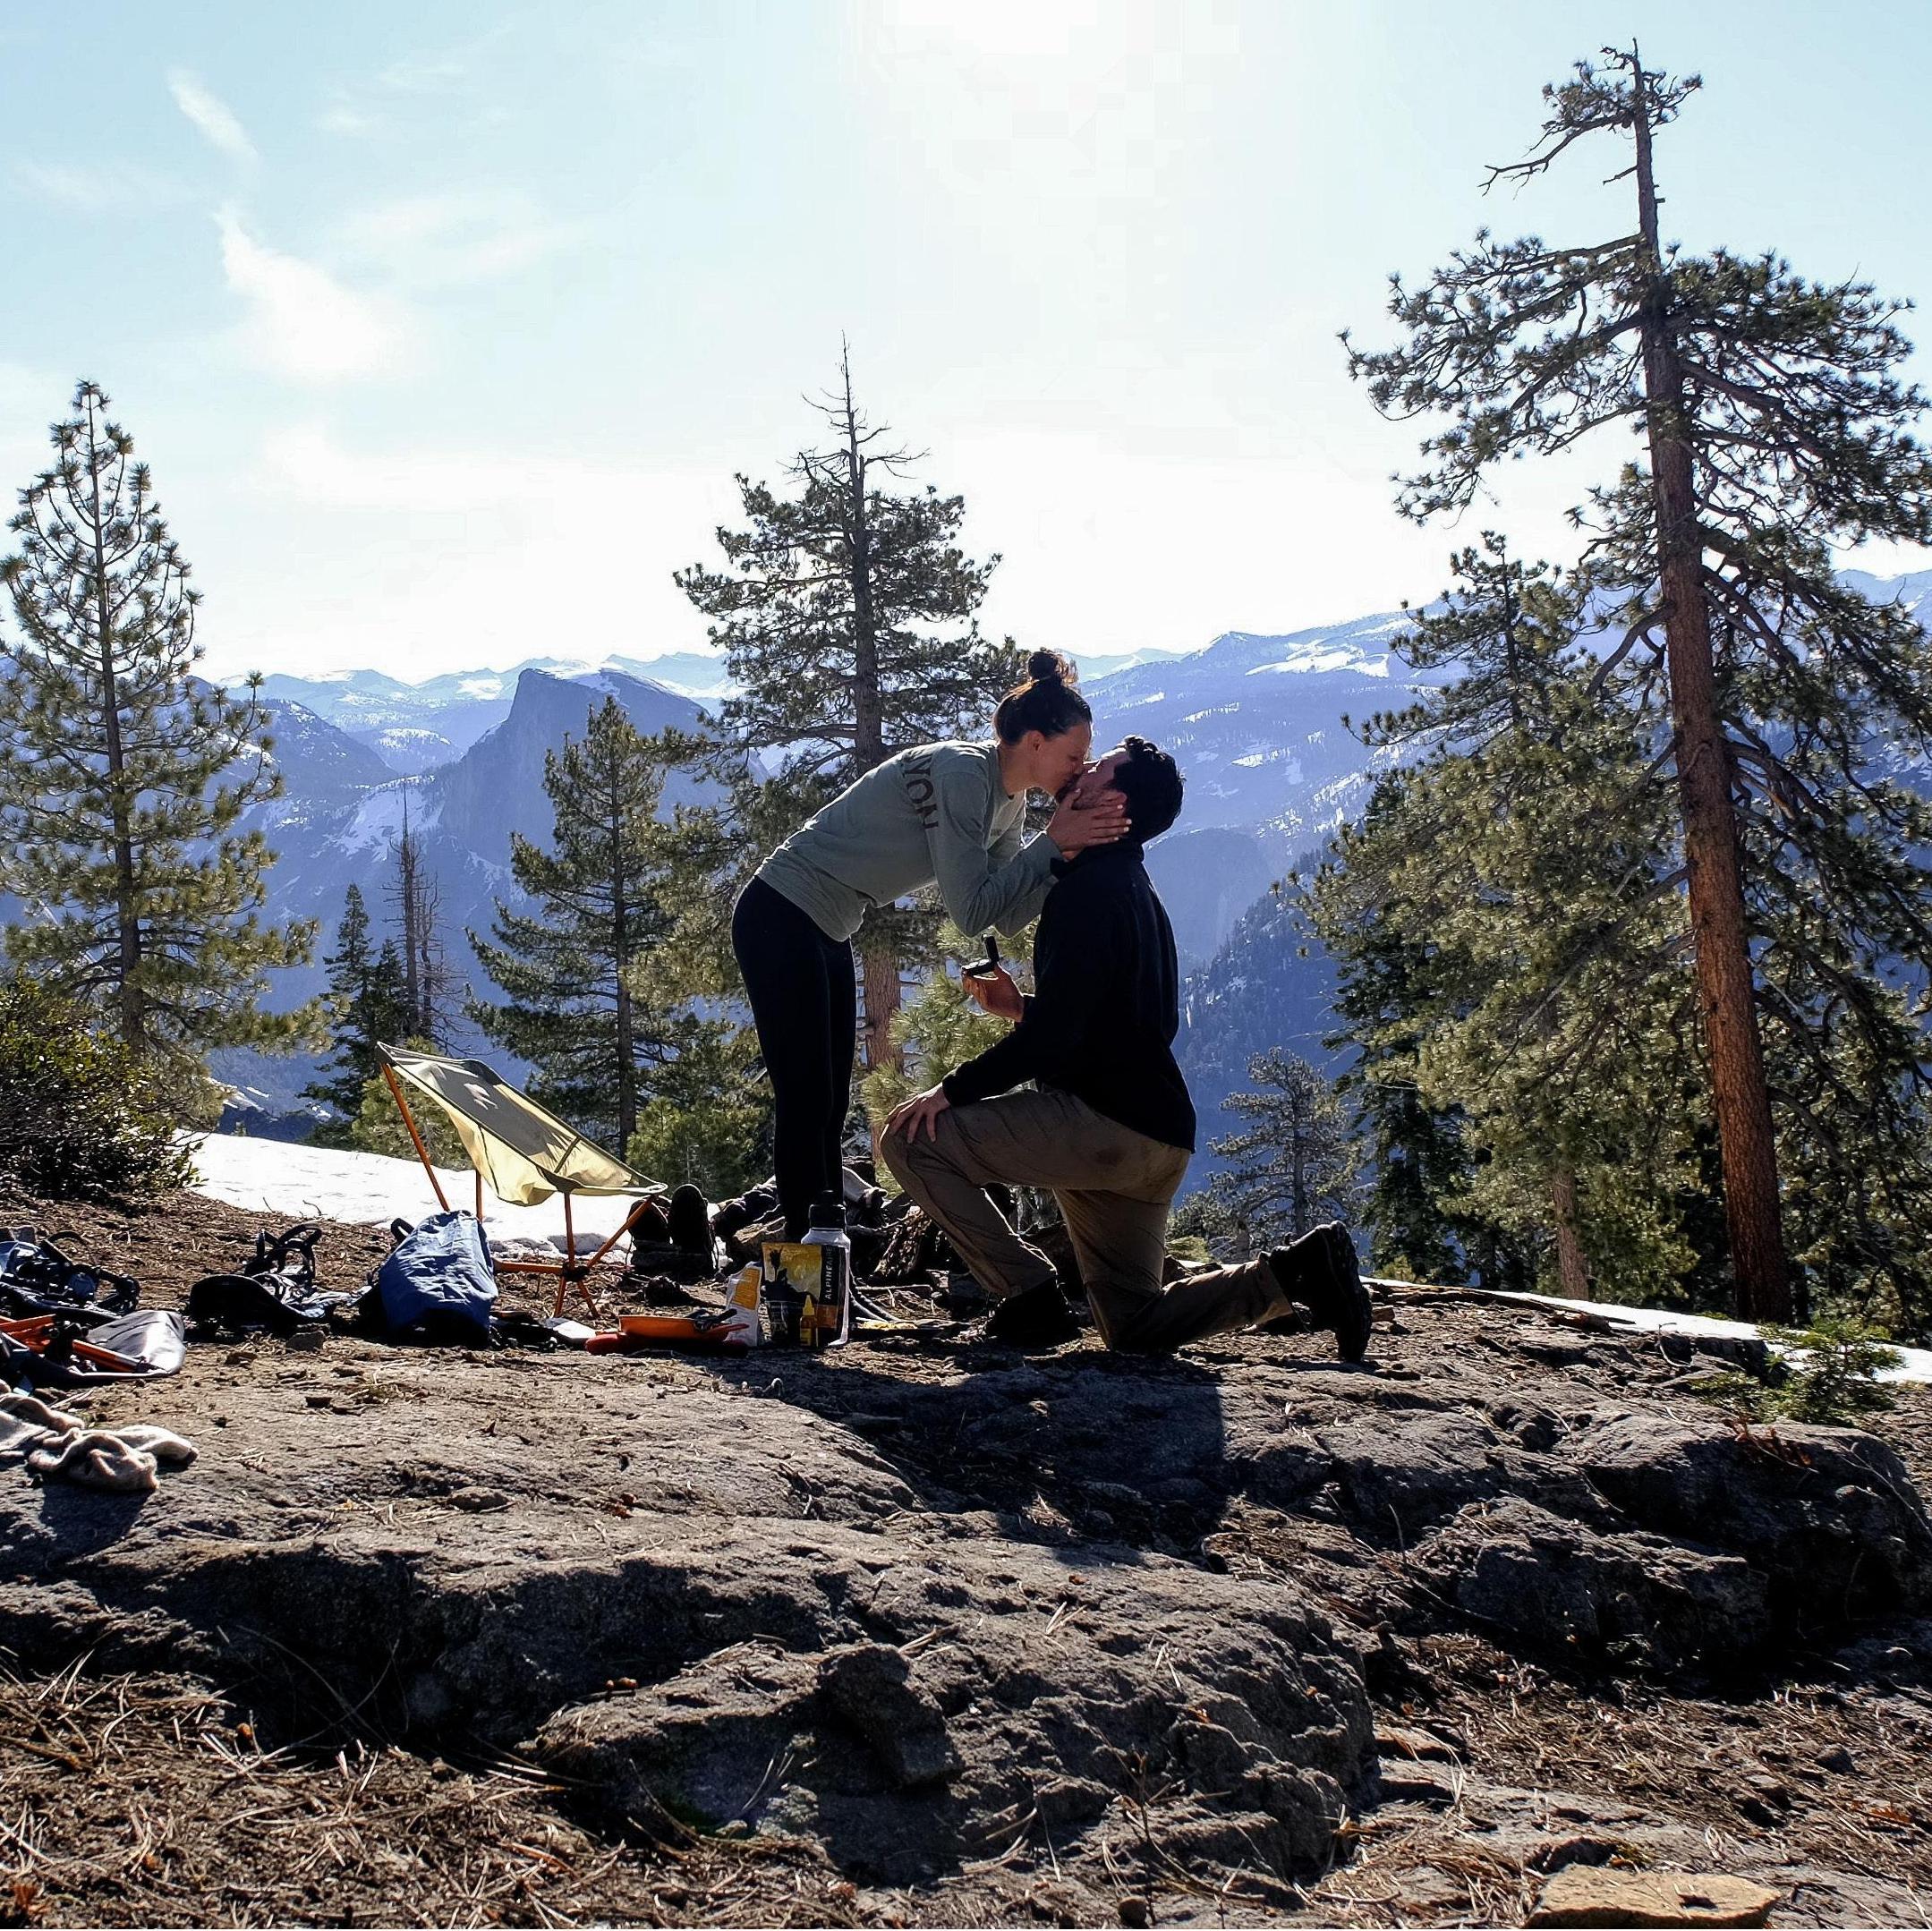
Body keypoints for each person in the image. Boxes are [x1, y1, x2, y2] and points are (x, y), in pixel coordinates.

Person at [881, 736, 1372, 1361]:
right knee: (1134, 1326)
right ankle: (1298, 1273)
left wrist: (948, 1090)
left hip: (1101, 1128)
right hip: (1157, 1138)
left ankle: (1027, 1296)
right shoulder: (1130, 886)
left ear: (1111, 800)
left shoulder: (1086, 894)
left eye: (1097, 767)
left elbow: (1057, 1038)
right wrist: (1020, 1010)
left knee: (907, 1139)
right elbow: (1131, 1022)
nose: (1080, 771)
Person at [734, 651, 1128, 1239]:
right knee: (806, 1096)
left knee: (826, 1102)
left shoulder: (1008, 800)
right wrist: (1052, 844)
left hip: (825, 923)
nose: (1080, 768)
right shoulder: (964, 776)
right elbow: (971, 908)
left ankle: (825, 1248)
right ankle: (806, 1258)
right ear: (1036, 743)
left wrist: (1062, 856)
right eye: (1075, 755)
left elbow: (1000, 914)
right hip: (780, 910)